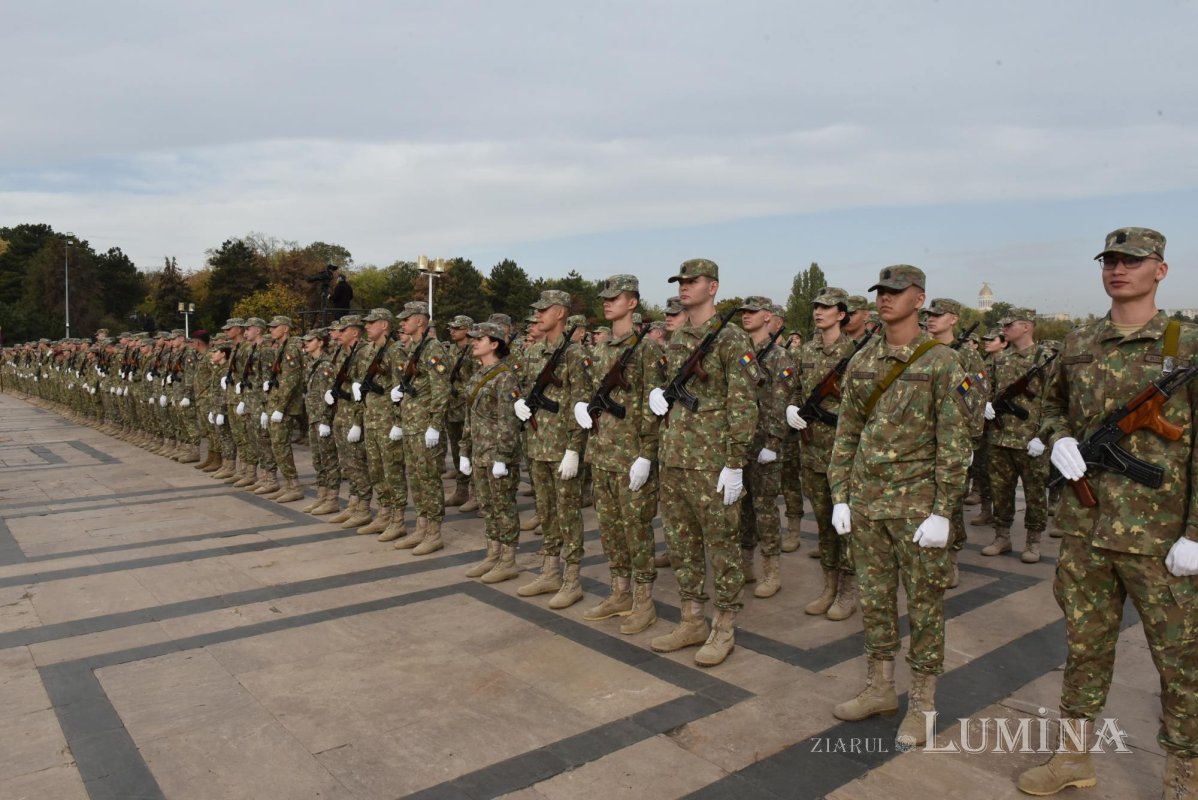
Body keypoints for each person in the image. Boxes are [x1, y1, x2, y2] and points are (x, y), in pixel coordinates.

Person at [1017, 228, 1198, 797]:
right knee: (1084, 648)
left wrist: (1194, 532)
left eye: (1133, 261)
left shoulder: (1185, 344)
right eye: (1110, 261)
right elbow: (1049, 408)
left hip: (1160, 537)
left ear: (1160, 271)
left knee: (1181, 661)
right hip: (1086, 529)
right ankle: (1073, 758)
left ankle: (1183, 776)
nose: (1119, 269)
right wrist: (1060, 436)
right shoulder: (1077, 343)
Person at [826, 265, 971, 750]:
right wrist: (840, 494)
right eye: (881, 293)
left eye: (896, 292)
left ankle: (924, 702)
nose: (886, 300)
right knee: (875, 600)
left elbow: (956, 442)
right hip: (867, 504)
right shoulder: (863, 359)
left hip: (917, 508)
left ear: (919, 299)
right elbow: (847, 431)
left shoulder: (943, 362)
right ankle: (880, 686)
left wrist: (944, 510)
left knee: (926, 608)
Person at [648, 259, 760, 667]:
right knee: (681, 545)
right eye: (680, 282)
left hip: (712, 463)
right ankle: (692, 618)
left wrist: (735, 463)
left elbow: (744, 404)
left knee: (723, 548)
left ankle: (724, 625)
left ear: (712, 287)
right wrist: (658, 397)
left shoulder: (731, 339)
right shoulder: (677, 338)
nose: (683, 287)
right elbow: (671, 388)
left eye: (691, 282)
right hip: (674, 457)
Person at [573, 275, 663, 633]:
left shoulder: (647, 349)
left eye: (616, 298)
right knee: (610, 530)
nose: (608, 303)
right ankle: (620, 592)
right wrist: (582, 406)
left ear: (633, 303)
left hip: (632, 456)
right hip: (603, 452)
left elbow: (653, 406)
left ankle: (644, 601)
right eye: (605, 298)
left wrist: (647, 454)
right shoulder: (599, 349)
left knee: (637, 529)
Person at [514, 290, 594, 607]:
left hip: (562, 448)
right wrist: (517, 402)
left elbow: (581, 402)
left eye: (543, 310)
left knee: (568, 515)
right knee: (546, 513)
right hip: (537, 444)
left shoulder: (574, 354)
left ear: (560, 313)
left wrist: (575, 449)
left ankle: (572, 578)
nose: (538, 315)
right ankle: (549, 571)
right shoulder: (533, 352)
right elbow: (516, 385)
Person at [787, 287, 861, 620]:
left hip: (844, 456)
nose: (819, 312)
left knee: (846, 524)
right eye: (816, 306)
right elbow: (793, 388)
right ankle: (829, 586)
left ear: (841, 314)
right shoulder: (805, 352)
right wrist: (792, 406)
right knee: (823, 524)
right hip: (812, 451)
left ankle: (848, 591)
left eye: (827, 307)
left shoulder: (857, 353)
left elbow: (865, 404)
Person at [982, 307, 1056, 563]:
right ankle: (1002, 537)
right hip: (1000, 438)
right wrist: (986, 405)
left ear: (1026, 326)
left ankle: (1033, 542)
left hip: (1031, 441)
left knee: (1035, 493)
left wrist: (1044, 436)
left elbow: (1055, 403)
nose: (1004, 329)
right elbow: (985, 389)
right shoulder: (998, 359)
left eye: (1009, 325)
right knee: (1000, 491)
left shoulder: (1046, 358)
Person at [924, 298, 988, 586]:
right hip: (924, 437)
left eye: (938, 315)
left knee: (950, 502)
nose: (931, 319)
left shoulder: (968, 356)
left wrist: (971, 442)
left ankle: (950, 555)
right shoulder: (921, 351)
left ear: (953, 319)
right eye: (929, 315)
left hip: (953, 439)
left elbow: (975, 399)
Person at [738, 296, 793, 598]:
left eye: (753, 312)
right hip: (742, 442)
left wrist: (773, 442)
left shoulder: (779, 356)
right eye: (744, 312)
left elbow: (781, 400)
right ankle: (746, 564)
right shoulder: (742, 352)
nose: (746, 316)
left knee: (765, 508)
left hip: (765, 444)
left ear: (768, 316)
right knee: (742, 507)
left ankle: (771, 571)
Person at [460, 322, 523, 583]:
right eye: (473, 338)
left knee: (503, 507)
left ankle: (508, 560)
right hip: (479, 451)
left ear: (495, 343)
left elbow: (508, 420)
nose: (473, 342)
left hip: (497, 453)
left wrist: (503, 456)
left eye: (480, 338)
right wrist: (464, 450)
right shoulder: (478, 374)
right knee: (487, 506)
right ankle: (492, 554)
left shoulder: (505, 376)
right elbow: (469, 416)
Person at [263, 316, 306, 503]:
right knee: (277, 445)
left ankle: (294, 485)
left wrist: (280, 408)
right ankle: (288, 484)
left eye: (275, 327)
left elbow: (290, 381)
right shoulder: (281, 347)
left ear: (286, 329)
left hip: (285, 406)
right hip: (277, 402)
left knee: (281, 445)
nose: (271, 330)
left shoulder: (291, 349)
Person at [443, 315, 477, 509]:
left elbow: (478, 380)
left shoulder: (474, 350)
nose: (452, 331)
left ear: (467, 330)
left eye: (456, 328)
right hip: (452, 407)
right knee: (457, 451)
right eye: (451, 328)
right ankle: (461, 491)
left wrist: (461, 391)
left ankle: (476, 494)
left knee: (471, 451)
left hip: (467, 407)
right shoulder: (452, 350)